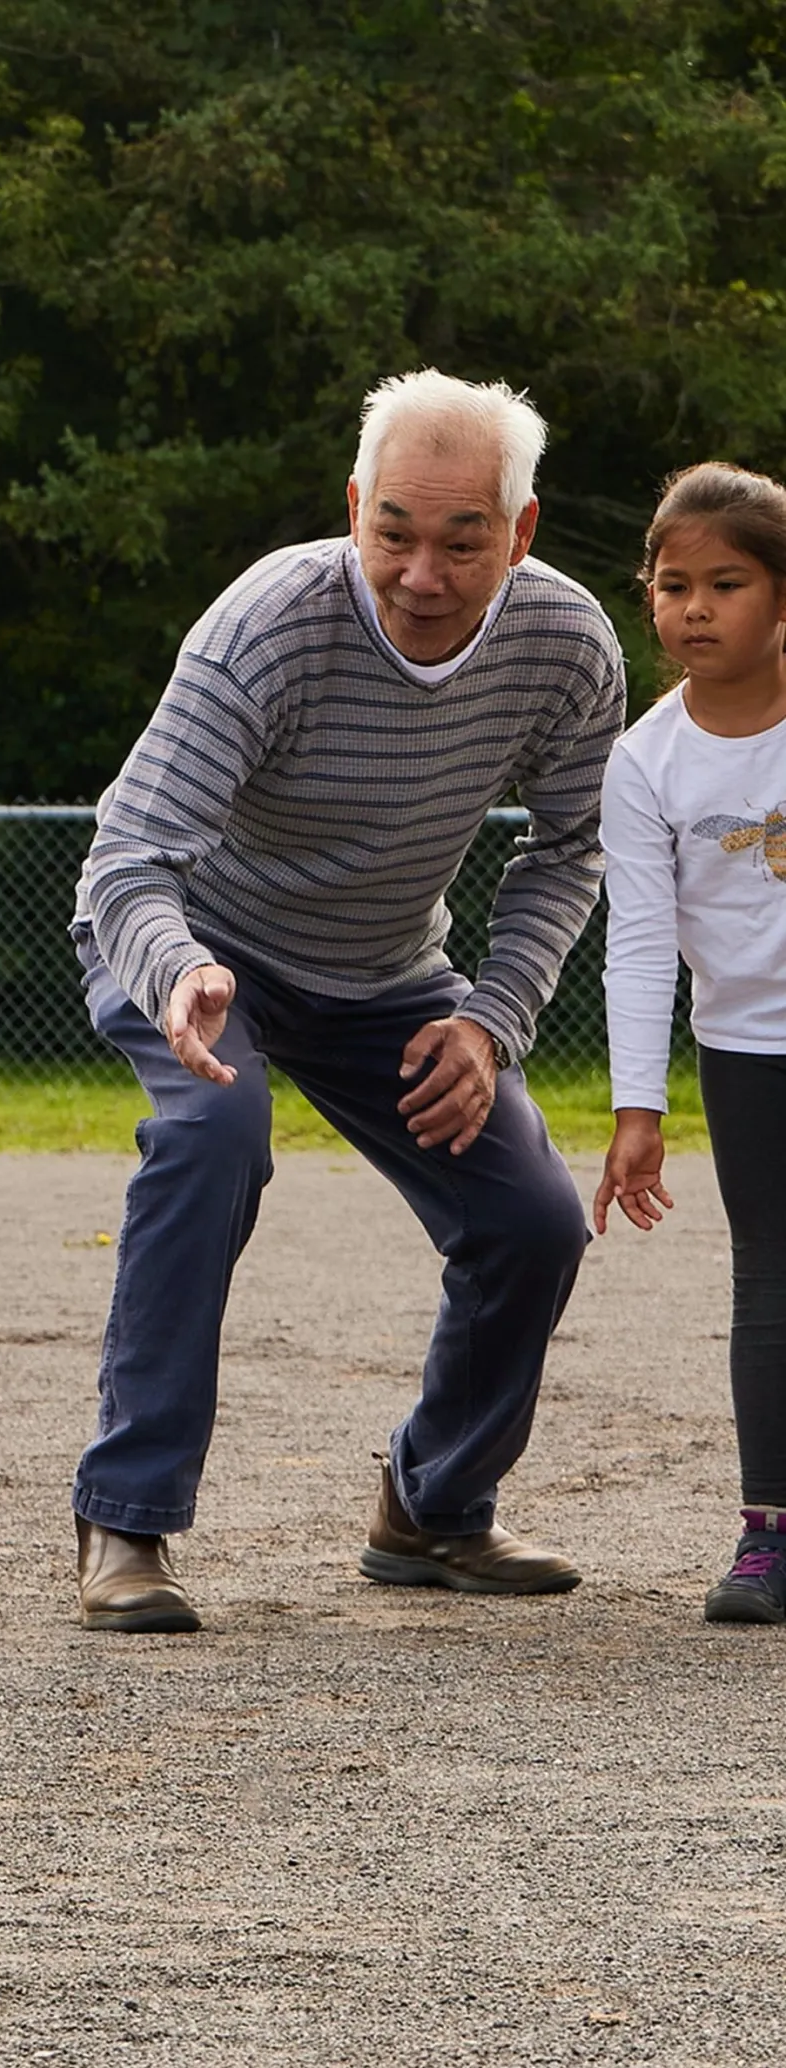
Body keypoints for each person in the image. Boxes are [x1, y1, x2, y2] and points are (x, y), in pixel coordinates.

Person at [71, 368, 626, 1633]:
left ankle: (431, 1507)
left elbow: (567, 845)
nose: (420, 573)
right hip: (194, 952)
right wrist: (180, 971)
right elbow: (127, 856)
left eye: (460, 539)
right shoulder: (268, 621)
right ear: (352, 506)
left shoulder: (564, 644)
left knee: (534, 1216)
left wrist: (487, 1020)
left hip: (386, 974)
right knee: (213, 1137)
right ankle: (126, 1520)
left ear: (519, 530)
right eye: (392, 532)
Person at [592, 462, 786, 1625]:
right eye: (672, 585)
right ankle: (767, 1533)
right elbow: (637, 942)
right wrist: (634, 1106)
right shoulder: (644, 760)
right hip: (745, 1048)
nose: (694, 607)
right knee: (767, 1277)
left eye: (726, 582)